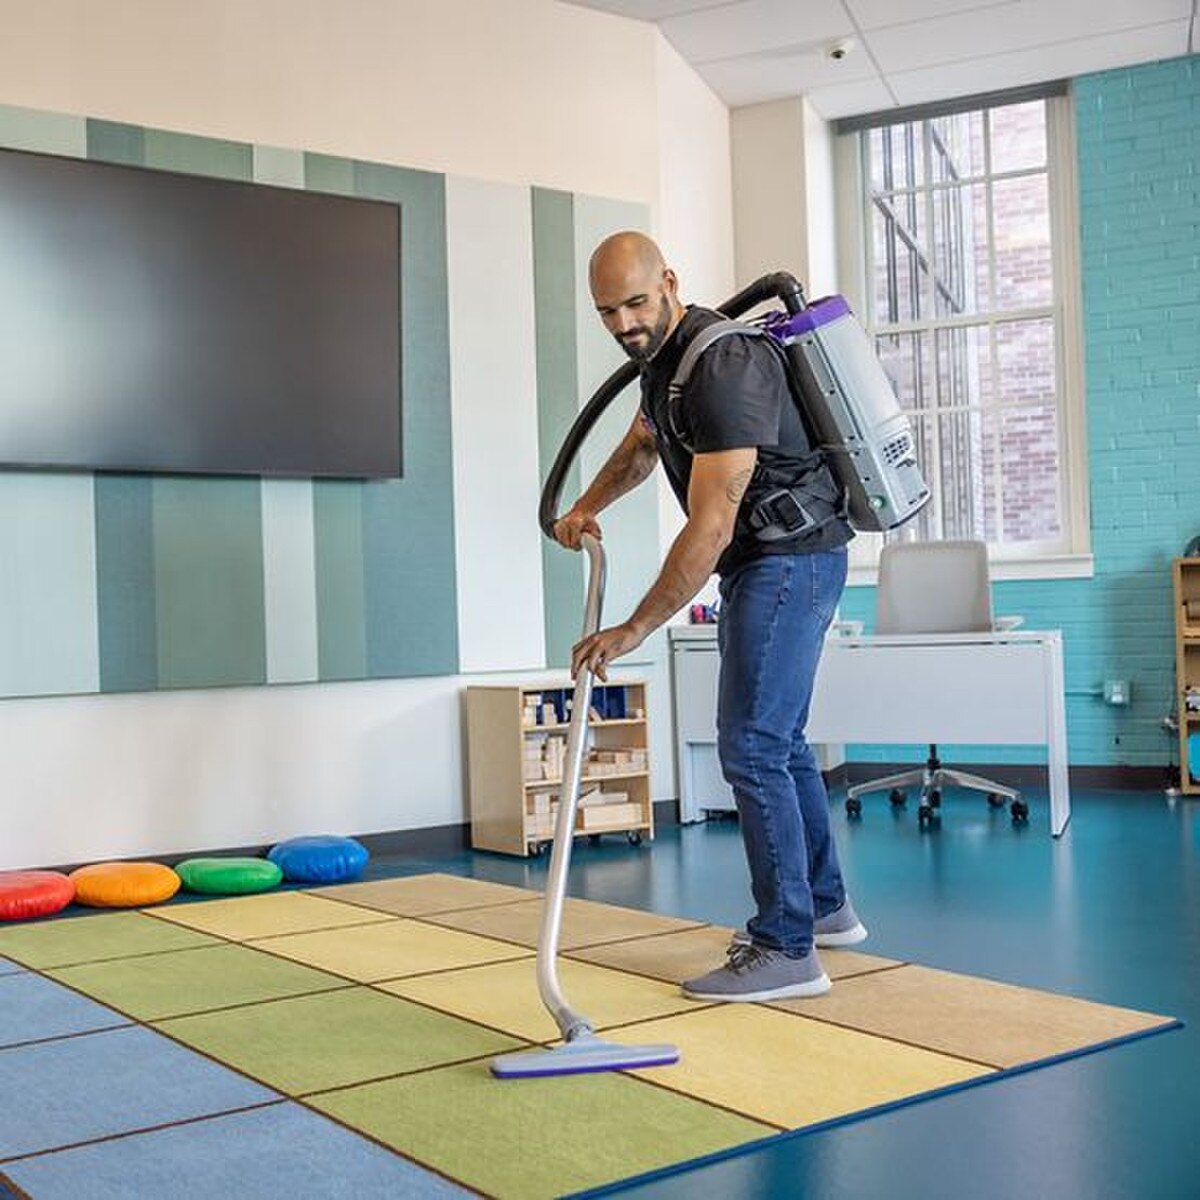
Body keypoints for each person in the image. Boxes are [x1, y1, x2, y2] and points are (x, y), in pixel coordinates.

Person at [554, 231, 866, 1002]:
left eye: (635, 303)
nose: (624, 323)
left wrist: (631, 629)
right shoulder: (665, 364)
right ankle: (824, 907)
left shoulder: (722, 363)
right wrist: (587, 505)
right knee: (778, 741)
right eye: (607, 312)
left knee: (752, 745)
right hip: (771, 562)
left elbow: (712, 523)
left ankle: (786, 948)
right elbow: (643, 445)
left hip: (788, 561)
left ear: (669, 281)